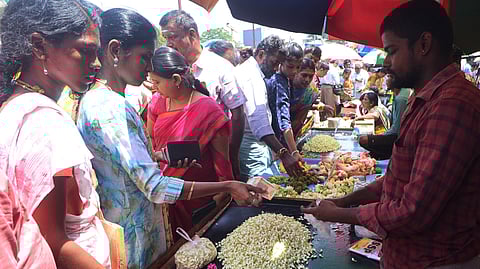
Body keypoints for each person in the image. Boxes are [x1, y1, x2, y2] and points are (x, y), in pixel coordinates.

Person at [76, 9, 263, 269]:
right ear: (115, 51)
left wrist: (164, 156)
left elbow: (132, 164)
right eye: (145, 58)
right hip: (135, 236)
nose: (150, 68)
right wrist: (227, 186)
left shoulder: (110, 101)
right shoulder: (109, 108)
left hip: (140, 227)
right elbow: (156, 187)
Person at [302, 1, 480, 269]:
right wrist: (343, 201)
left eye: (392, 51)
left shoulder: (452, 104)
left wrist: (340, 213)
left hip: (435, 261)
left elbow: (413, 211)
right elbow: (398, 178)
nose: (386, 63)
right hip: (407, 254)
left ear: (423, 44)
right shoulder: (423, 99)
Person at [0, 0, 111, 268]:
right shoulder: (47, 123)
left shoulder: (12, 107)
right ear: (39, 46)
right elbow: (53, 239)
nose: (96, 64)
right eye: (85, 51)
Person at [146, 46, 235, 236]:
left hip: (199, 192)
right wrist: (160, 157)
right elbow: (150, 142)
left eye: (157, 81)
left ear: (176, 80)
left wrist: (223, 192)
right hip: (165, 189)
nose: (154, 87)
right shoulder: (156, 102)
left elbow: (222, 161)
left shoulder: (208, 109)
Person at [160, 10, 246, 179]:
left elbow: (237, 114)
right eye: (166, 38)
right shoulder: (168, 70)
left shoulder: (220, 68)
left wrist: (231, 154)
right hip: (177, 165)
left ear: (192, 34)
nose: (169, 44)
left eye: (172, 36)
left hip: (214, 160)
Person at [232, 35, 303, 180]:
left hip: (258, 145)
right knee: (258, 192)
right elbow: (259, 122)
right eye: (274, 63)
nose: (276, 68)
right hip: (251, 147)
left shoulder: (253, 72)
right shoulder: (251, 76)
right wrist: (284, 153)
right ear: (261, 54)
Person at [358, 75, 411, 159]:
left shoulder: (401, 99)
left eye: (389, 77)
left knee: (363, 140)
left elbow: (396, 129)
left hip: (400, 137)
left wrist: (380, 136)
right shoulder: (398, 95)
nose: (386, 80)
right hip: (395, 134)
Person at [267, 42, 304, 160]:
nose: (294, 71)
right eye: (290, 66)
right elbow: (284, 119)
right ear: (281, 63)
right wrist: (294, 151)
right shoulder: (279, 82)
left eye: (297, 67)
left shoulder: (284, 80)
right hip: (273, 141)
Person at [291, 58, 334, 139]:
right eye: (304, 75)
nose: (307, 79)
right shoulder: (285, 87)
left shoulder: (311, 90)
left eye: (310, 76)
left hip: (298, 130)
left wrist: (321, 107)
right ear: (296, 72)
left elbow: (305, 105)